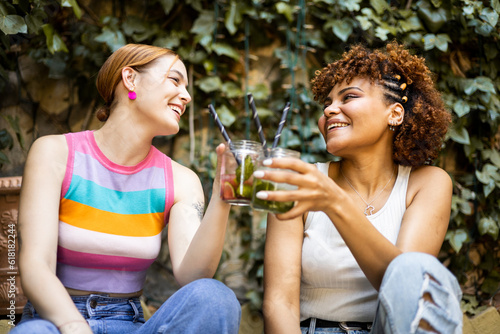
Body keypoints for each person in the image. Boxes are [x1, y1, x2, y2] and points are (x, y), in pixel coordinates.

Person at [12, 44, 241, 334]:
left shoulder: (181, 180)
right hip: (55, 322)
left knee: (215, 298)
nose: (187, 96)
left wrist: (223, 198)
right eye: (175, 80)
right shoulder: (55, 153)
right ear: (130, 79)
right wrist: (73, 326)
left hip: (129, 324)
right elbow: (35, 266)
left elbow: (193, 275)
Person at [257, 42, 463, 334]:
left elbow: (408, 283)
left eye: (348, 97)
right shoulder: (299, 183)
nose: (330, 109)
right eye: (326, 103)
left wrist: (333, 202)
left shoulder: (427, 183)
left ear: (394, 113)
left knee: (416, 269)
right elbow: (279, 303)